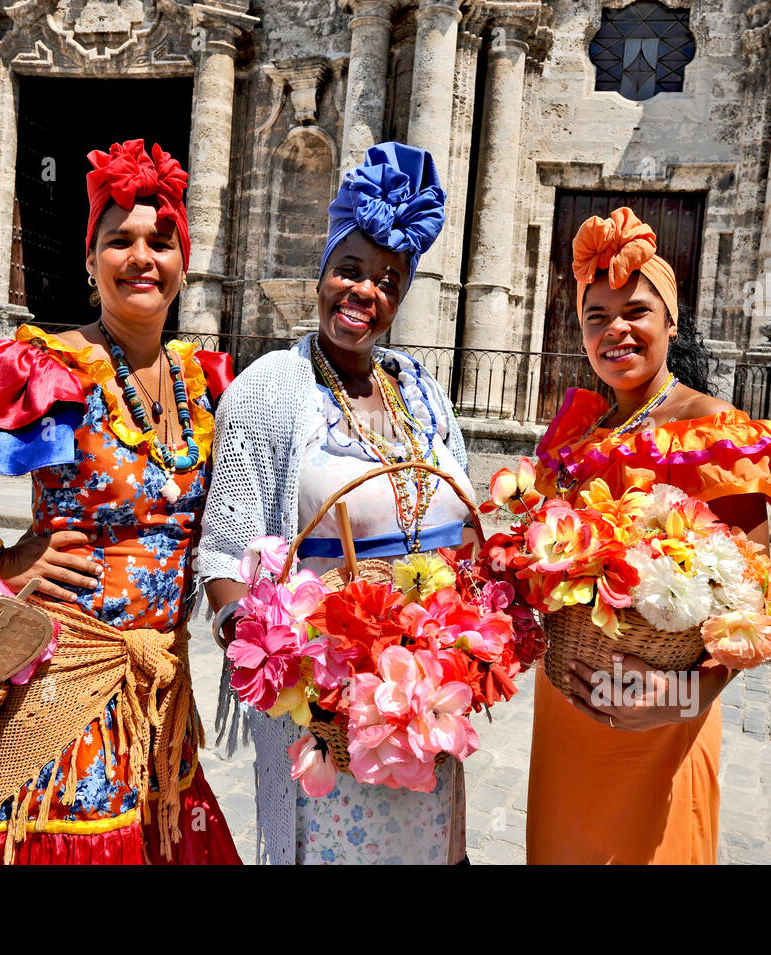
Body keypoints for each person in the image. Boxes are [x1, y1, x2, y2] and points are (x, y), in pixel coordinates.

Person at [0, 139, 241, 865]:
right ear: (92, 261)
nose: (142, 257)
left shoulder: (207, 381)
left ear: (183, 264)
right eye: (119, 240)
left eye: (161, 242)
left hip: (162, 688)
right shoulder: (49, 364)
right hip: (68, 680)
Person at [199, 142, 476, 864]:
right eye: (350, 269)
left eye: (389, 280)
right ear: (321, 272)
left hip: (422, 701)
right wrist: (304, 685)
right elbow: (225, 556)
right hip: (322, 713)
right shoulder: (269, 390)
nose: (366, 292)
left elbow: (462, 521)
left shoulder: (420, 390)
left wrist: (465, 643)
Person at [524, 207, 771, 864]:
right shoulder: (576, 438)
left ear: (670, 323)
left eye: (636, 311)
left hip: (660, 730)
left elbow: (752, 612)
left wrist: (675, 699)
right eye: (597, 316)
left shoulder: (715, 432)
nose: (615, 330)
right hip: (564, 715)